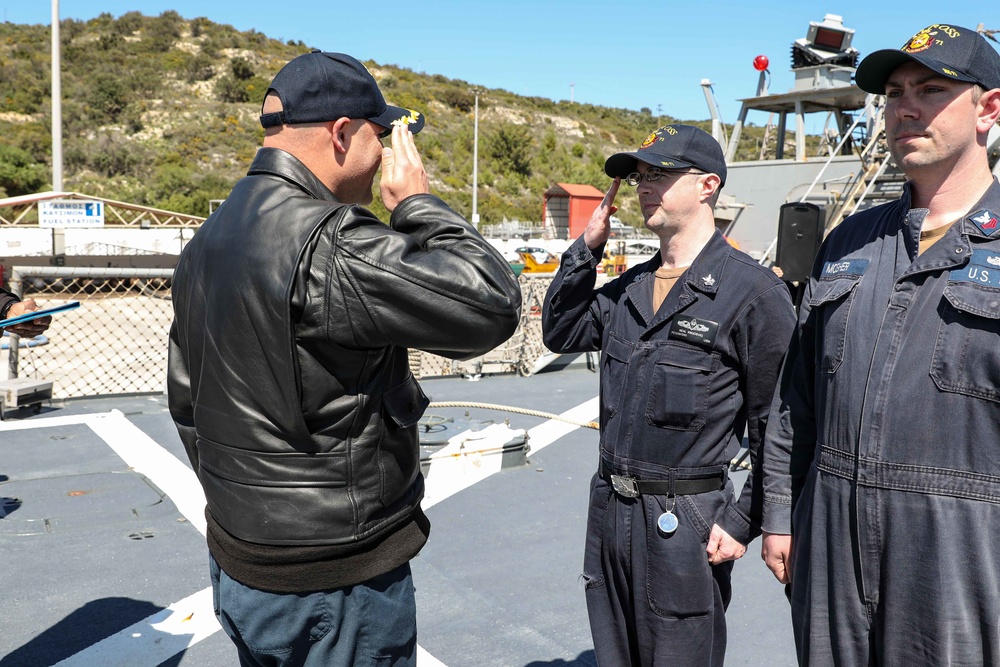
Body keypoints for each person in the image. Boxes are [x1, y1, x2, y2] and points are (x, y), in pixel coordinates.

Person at [167, 50, 522, 666]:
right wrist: (417, 206)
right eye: (381, 135)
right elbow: (490, 305)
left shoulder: (210, 236)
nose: (386, 153)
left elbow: (187, 399)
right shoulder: (329, 242)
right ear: (341, 132)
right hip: (332, 575)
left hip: (243, 553)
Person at [760, 23, 1000, 665]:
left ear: (989, 107)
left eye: (932, 88)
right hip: (830, 542)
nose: (906, 107)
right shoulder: (849, 243)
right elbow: (796, 398)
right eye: (894, 93)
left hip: (962, 547)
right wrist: (780, 511)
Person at [542, 124, 795, 666]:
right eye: (639, 176)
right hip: (610, 511)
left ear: (707, 185)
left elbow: (778, 424)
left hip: (685, 522)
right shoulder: (629, 289)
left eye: (659, 174)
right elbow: (560, 333)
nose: (643, 185)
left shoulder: (753, 293)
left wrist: (745, 518)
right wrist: (586, 250)